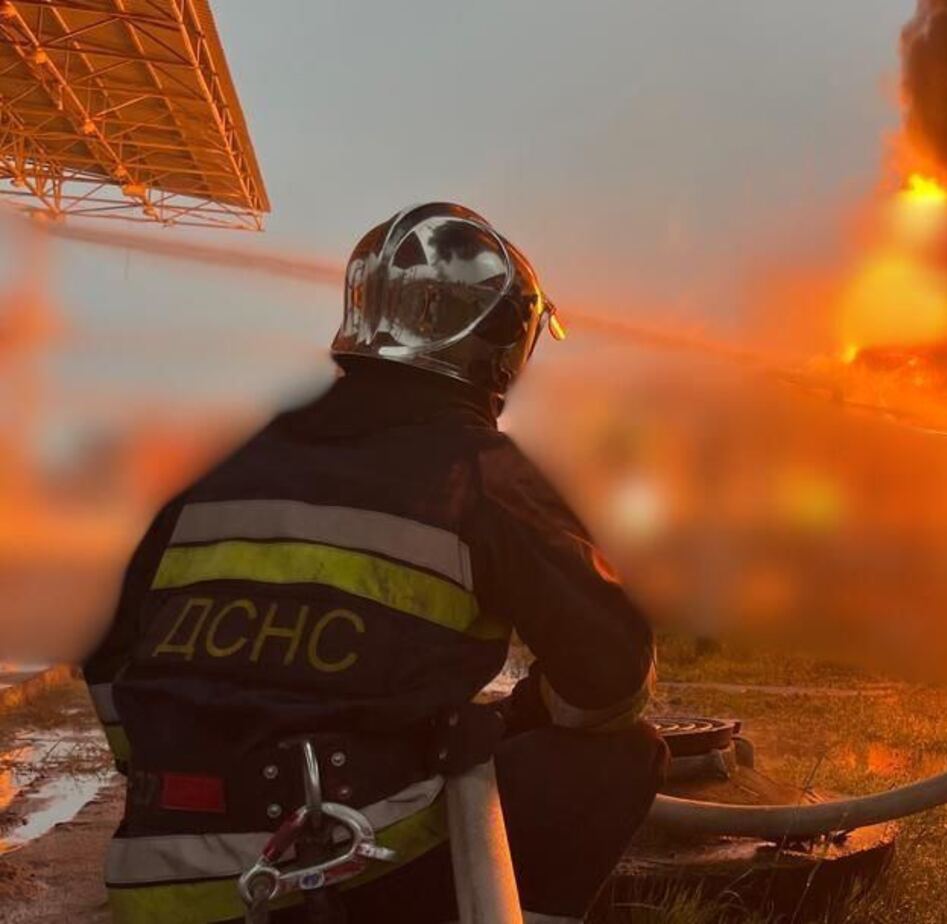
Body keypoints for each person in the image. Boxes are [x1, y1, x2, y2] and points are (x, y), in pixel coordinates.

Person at [82, 203, 668, 923]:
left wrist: (177, 767)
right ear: (503, 343)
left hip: (155, 886)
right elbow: (613, 677)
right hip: (337, 877)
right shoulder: (477, 469)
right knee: (617, 756)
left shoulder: (227, 465)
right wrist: (523, 714)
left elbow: (108, 651)